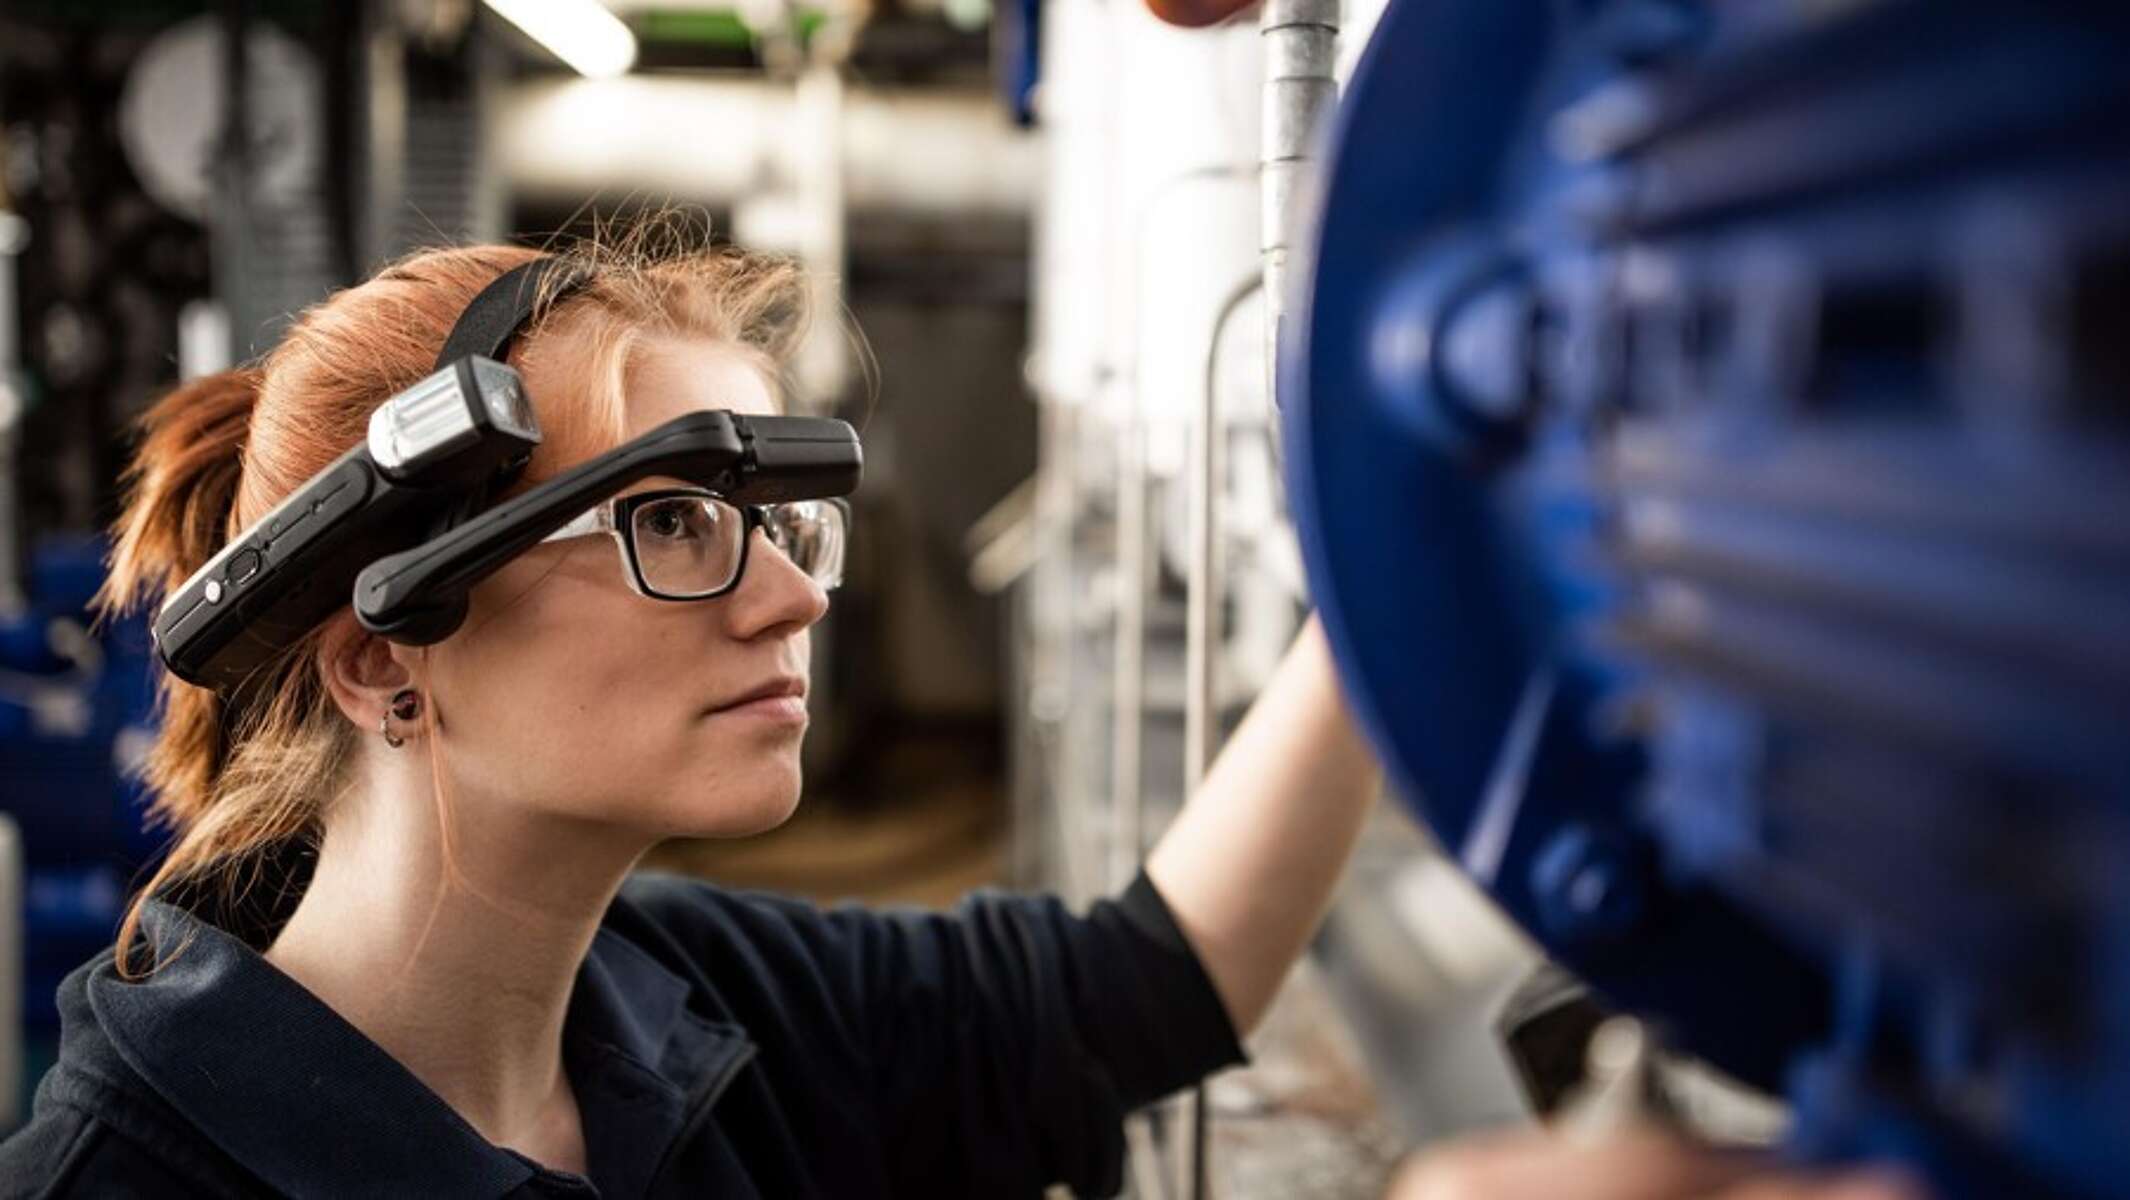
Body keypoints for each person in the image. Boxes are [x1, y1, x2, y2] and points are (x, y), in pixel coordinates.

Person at [0, 231, 1920, 1199]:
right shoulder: (131, 1183)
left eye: (782, 518)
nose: (799, 590)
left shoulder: (673, 1005)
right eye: (673, 520)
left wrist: (1406, 534)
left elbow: (1142, 986)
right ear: (375, 656)